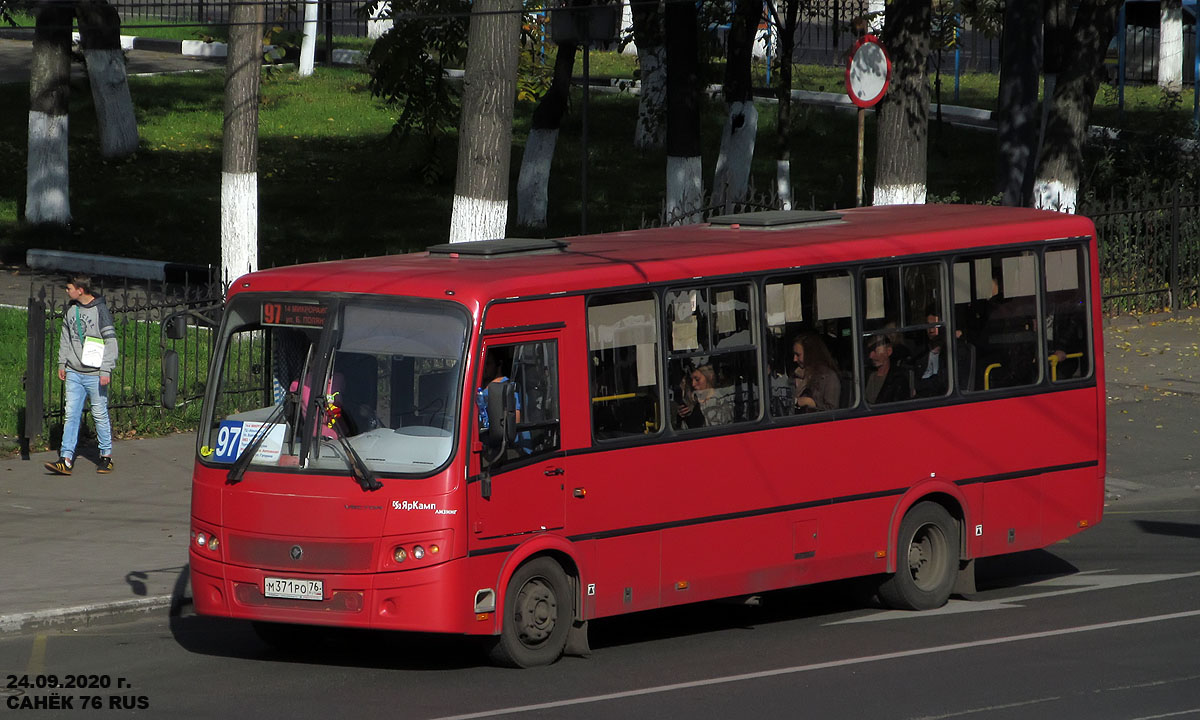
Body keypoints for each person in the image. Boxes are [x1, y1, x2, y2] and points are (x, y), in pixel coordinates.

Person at [45, 275, 118, 475]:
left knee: (99, 414)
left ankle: (106, 456)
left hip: (95, 373)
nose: (67, 291)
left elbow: (111, 341)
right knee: (71, 414)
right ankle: (66, 459)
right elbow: (65, 338)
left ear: (80, 289)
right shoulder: (71, 310)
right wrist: (63, 362)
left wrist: (106, 369)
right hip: (74, 371)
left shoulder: (99, 310)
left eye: (69, 288)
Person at [791, 332, 841, 412]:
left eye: (798, 355)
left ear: (810, 354)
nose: (795, 359)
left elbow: (832, 411)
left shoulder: (829, 377)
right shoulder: (798, 375)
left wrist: (811, 403)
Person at [865, 334, 911, 404]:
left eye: (875, 351)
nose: (871, 356)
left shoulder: (898, 379)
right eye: (869, 351)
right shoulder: (865, 375)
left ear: (889, 351)